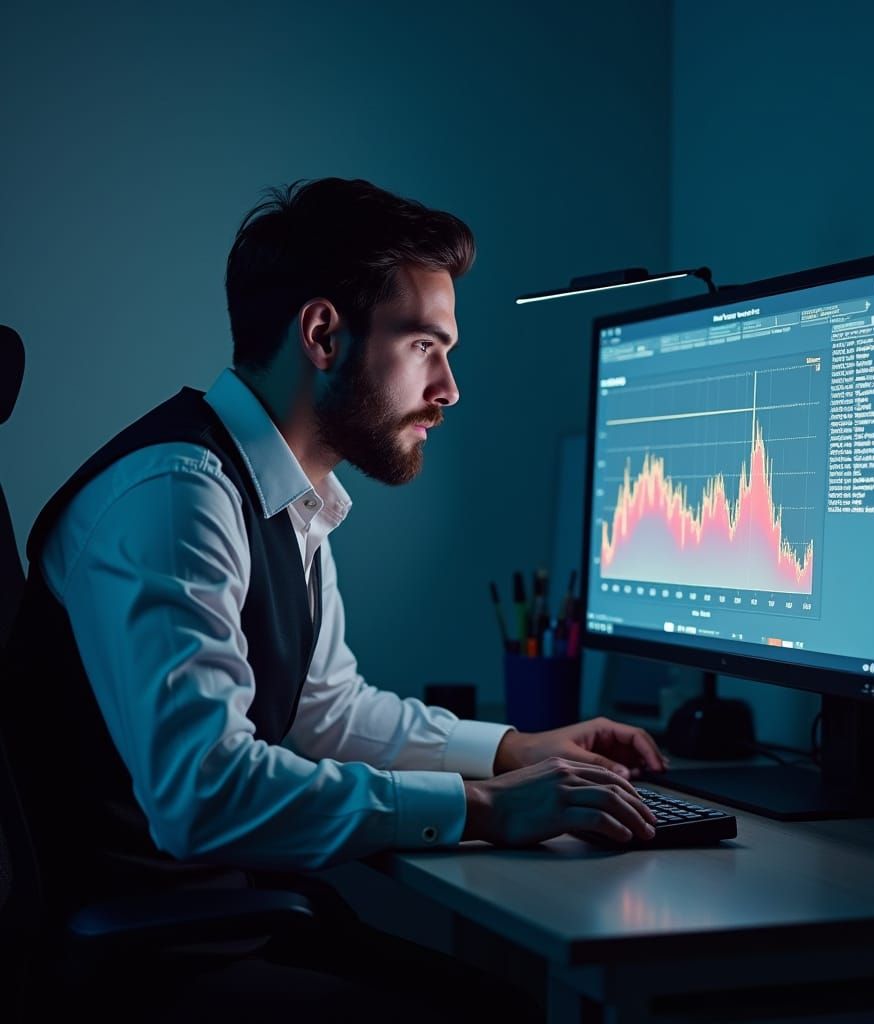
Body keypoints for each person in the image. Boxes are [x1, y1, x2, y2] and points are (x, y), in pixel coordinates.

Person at [2, 177, 667, 1019]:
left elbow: (329, 715)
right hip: (147, 965)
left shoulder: (289, 501)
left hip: (217, 920)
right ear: (322, 334)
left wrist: (514, 751)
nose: (450, 388)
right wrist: (483, 809)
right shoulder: (178, 496)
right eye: (426, 344)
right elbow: (201, 793)